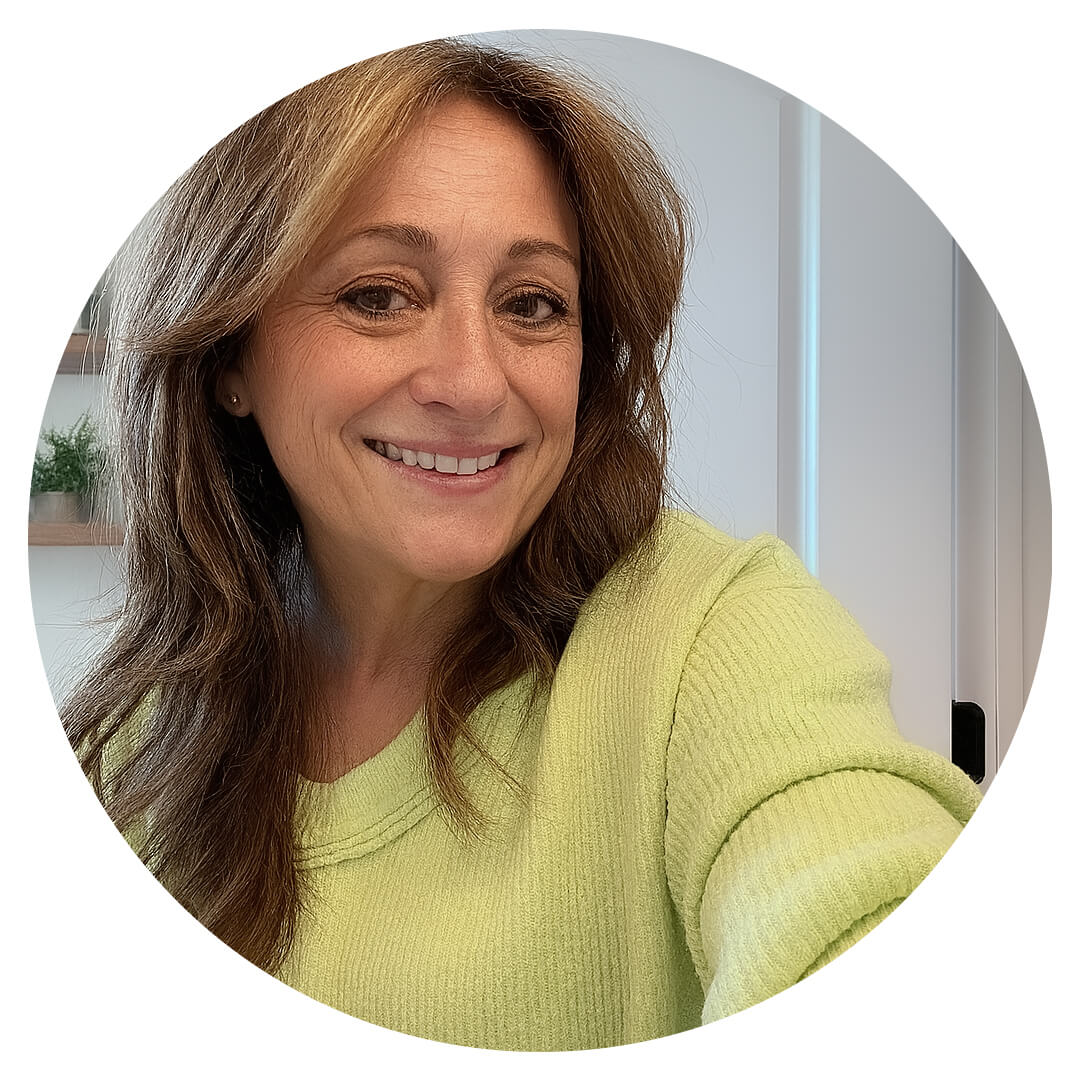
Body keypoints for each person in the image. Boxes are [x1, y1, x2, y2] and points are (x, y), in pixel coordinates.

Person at [63, 38, 982, 1051]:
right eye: (379, 296)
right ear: (228, 354)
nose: (473, 382)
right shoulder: (137, 740)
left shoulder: (717, 635)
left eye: (532, 304)